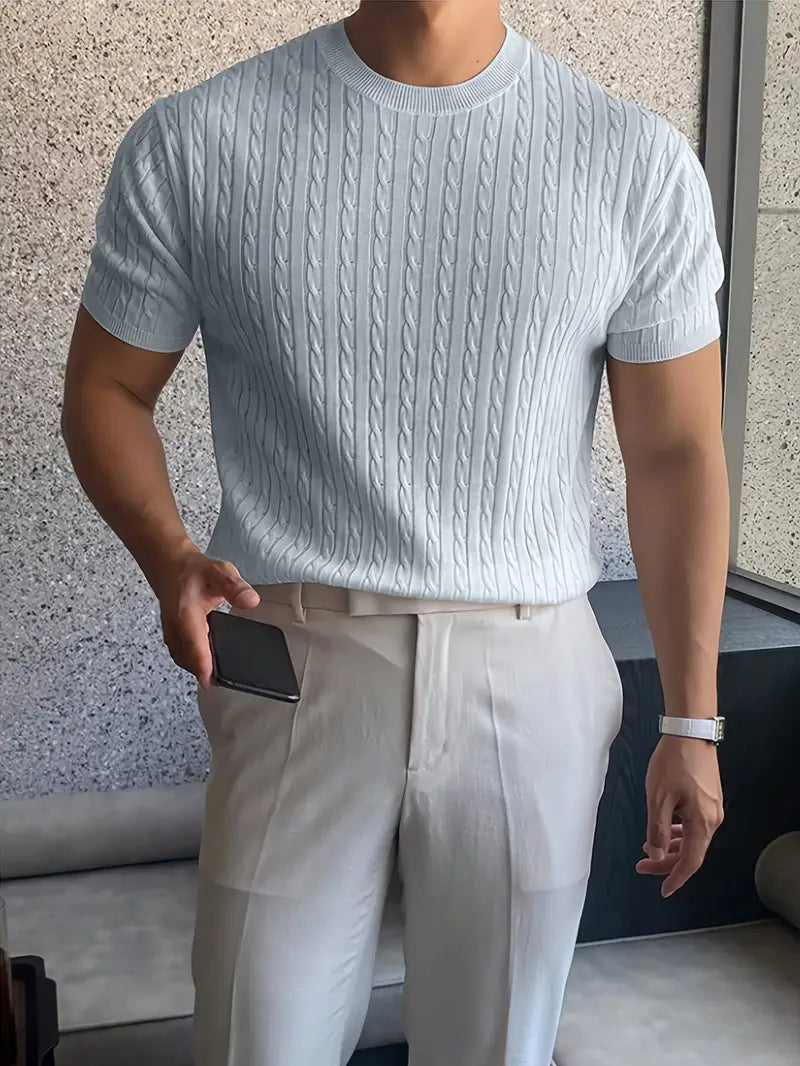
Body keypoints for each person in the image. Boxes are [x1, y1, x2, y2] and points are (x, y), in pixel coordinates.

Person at [61, 1, 728, 1063]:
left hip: (531, 669)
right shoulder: (198, 138)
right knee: (254, 1039)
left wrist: (692, 722)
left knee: (496, 1045)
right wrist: (168, 554)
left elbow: (676, 453)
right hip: (291, 655)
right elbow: (106, 385)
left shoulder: (632, 160)